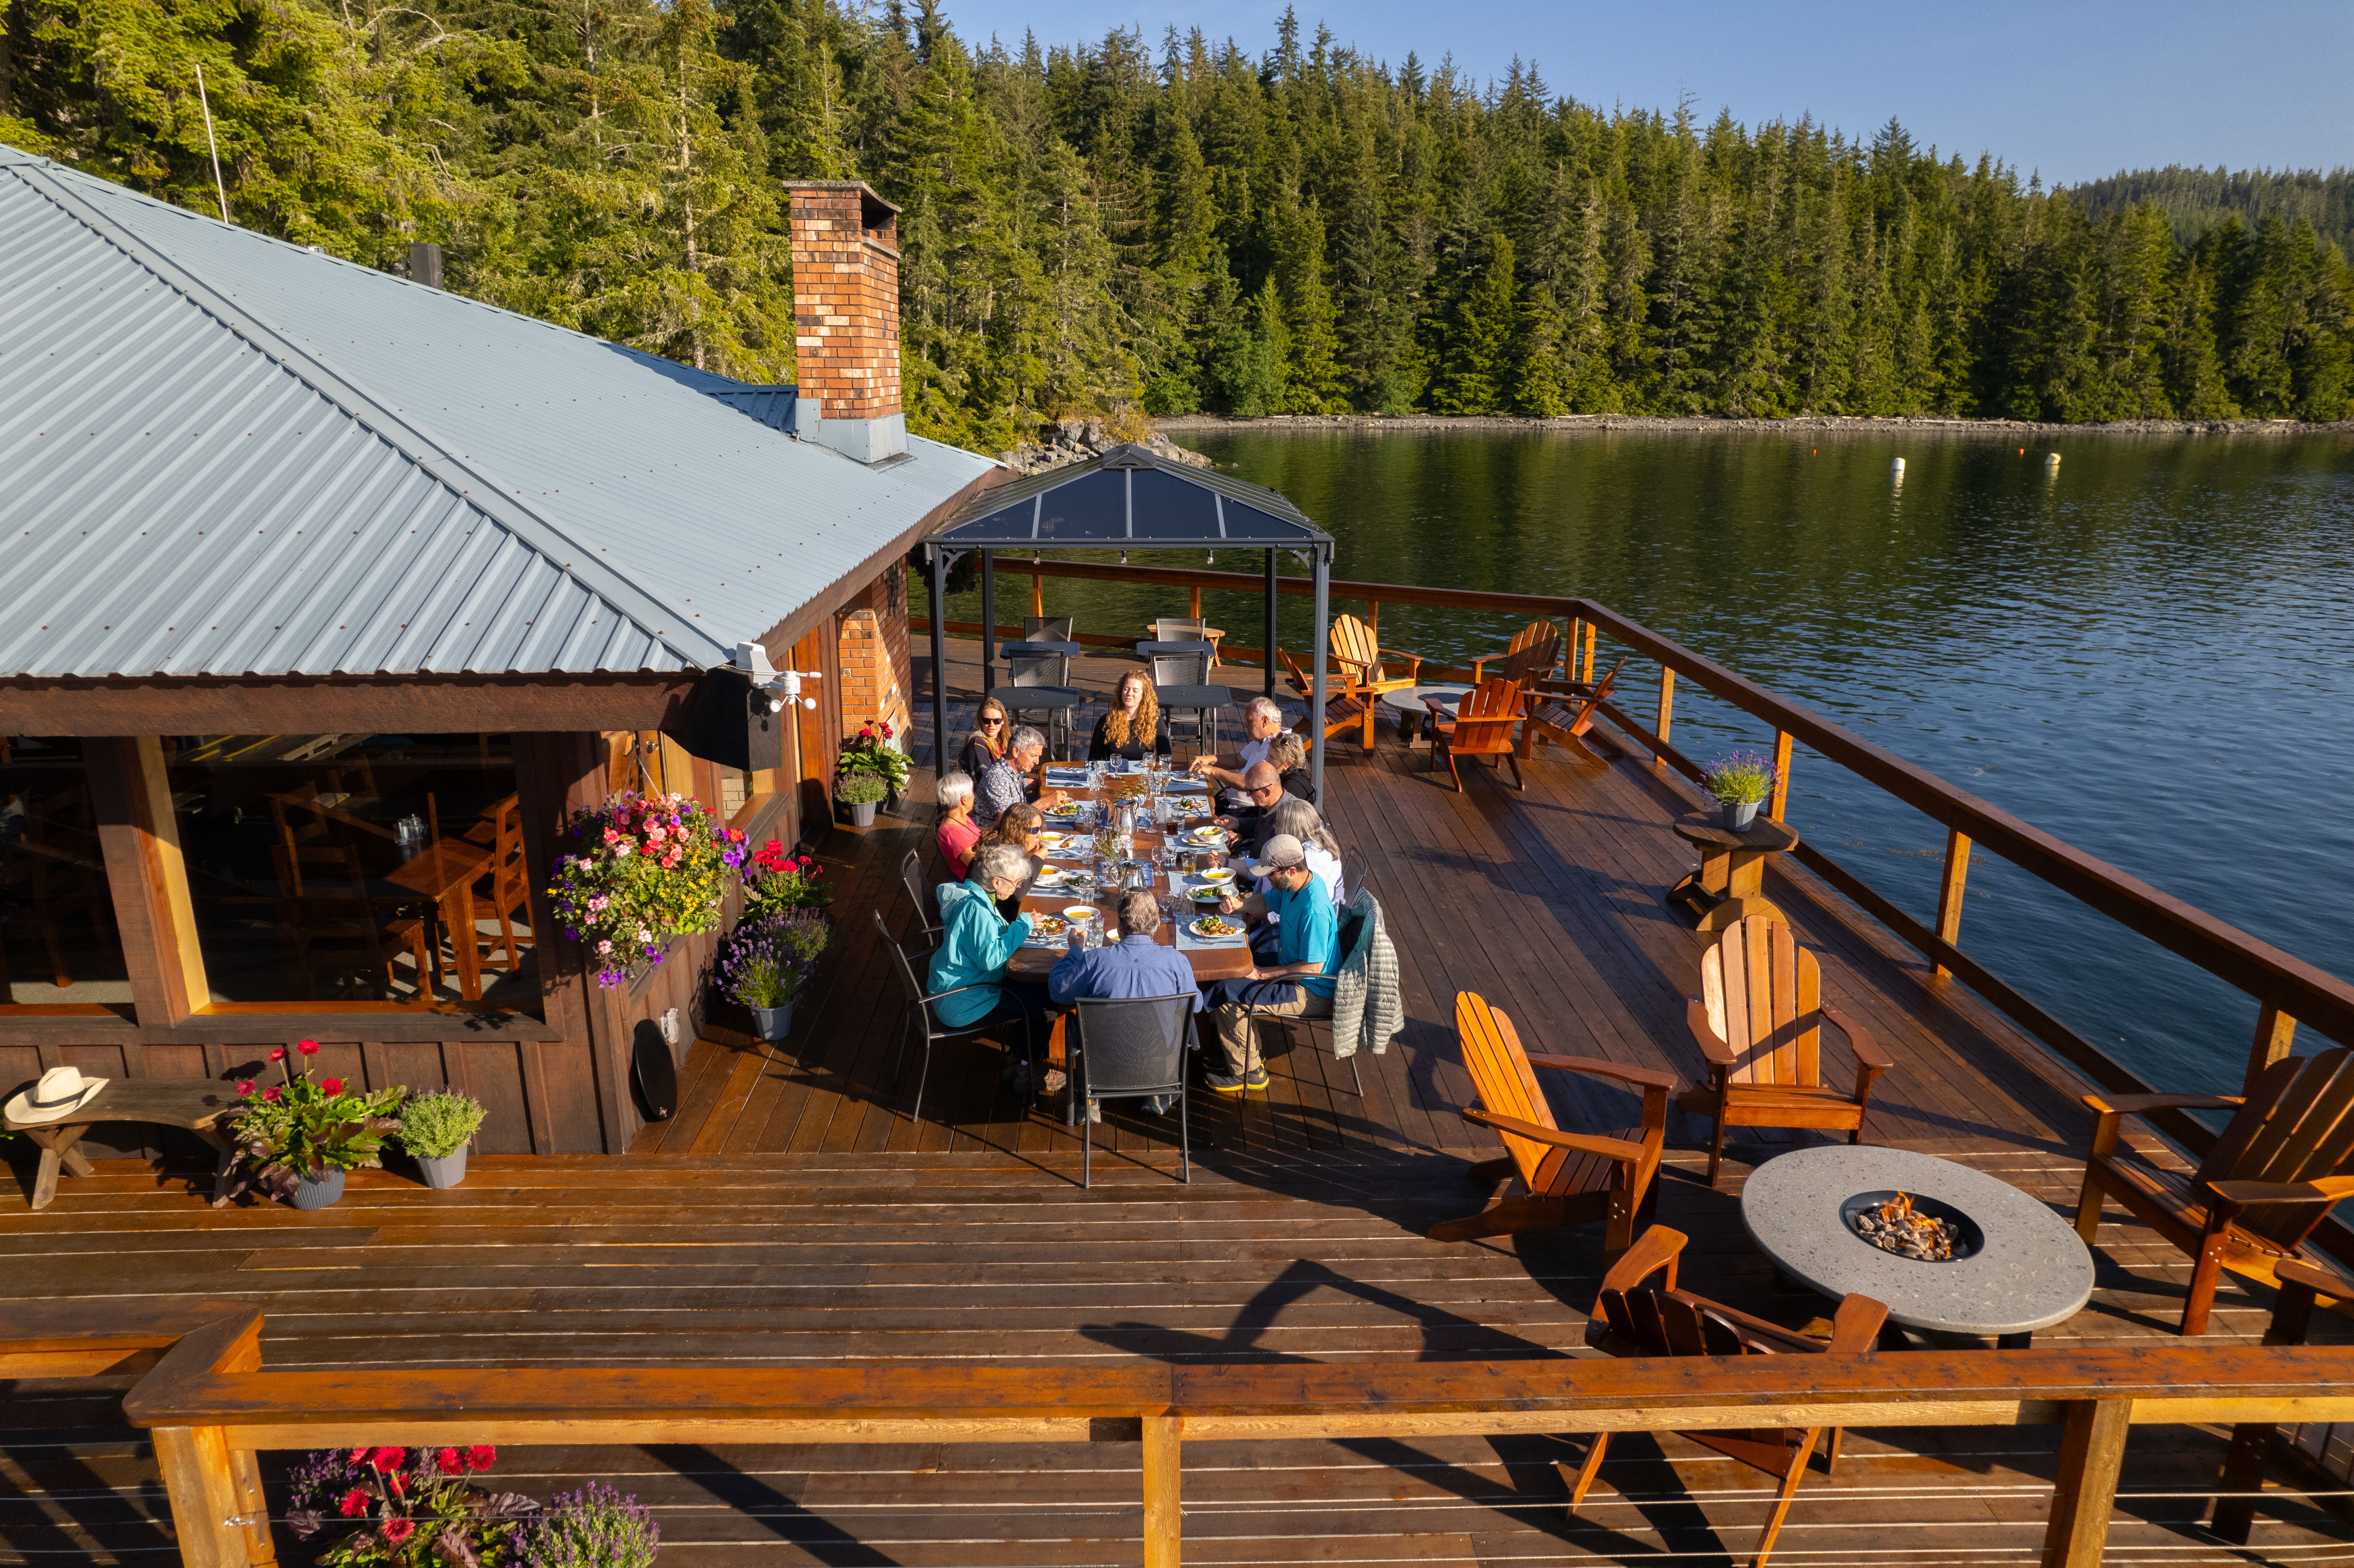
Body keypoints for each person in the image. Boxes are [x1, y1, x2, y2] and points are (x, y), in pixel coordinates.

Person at [1199, 835, 1341, 1093]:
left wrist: (1264, 974)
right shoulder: (1294, 887)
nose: (1266, 880)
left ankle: (1249, 1071)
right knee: (1227, 968)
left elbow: (1314, 968)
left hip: (1309, 989)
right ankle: (1241, 1050)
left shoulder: (1314, 910)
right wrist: (1241, 904)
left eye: (1271, 875)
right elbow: (1266, 902)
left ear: (1292, 870)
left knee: (1229, 998)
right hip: (1290, 966)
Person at [1048, 888, 1202, 1117]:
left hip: (1103, 1063)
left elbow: (1058, 992)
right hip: (1159, 1063)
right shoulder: (1177, 962)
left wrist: (1074, 952)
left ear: (1119, 926)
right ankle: (1160, 1092)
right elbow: (1196, 1006)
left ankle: (1089, 1102)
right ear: (1158, 923)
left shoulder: (1095, 961)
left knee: (1076, 1027)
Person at [930, 842, 1050, 1088]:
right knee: (1045, 1009)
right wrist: (1022, 926)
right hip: (963, 1000)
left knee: (1040, 995)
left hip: (962, 987)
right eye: (1015, 882)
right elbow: (991, 959)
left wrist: (1017, 928)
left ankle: (1017, 1058)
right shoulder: (977, 910)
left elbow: (985, 942)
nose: (1018, 887)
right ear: (997, 882)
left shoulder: (974, 896)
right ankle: (1027, 1073)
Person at [1191, 695, 1285, 811]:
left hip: (1246, 813)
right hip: (1229, 803)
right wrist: (1210, 759)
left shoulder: (1279, 749)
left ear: (1265, 721)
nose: (1245, 725)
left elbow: (1250, 784)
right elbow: (1237, 760)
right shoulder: (1263, 740)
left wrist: (1212, 770)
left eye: (1249, 721)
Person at [976, 725, 1068, 825]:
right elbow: (1008, 824)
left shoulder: (1012, 770)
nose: (1037, 762)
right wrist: (1046, 802)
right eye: (1033, 756)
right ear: (1016, 751)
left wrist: (1029, 784)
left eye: (1038, 756)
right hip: (998, 838)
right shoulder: (998, 779)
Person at [1088, 670, 1171, 762]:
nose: (1129, 694)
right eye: (1126, 689)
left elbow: (1166, 757)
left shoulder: (1155, 721)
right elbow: (1094, 759)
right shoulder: (1106, 721)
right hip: (1114, 774)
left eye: (1135, 691)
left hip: (1144, 774)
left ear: (1144, 695)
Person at [935, 769, 981, 877]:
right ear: (964, 800)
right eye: (972, 793)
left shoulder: (961, 818)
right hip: (978, 885)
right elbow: (977, 868)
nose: (974, 795)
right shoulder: (955, 834)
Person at [960, 697, 1011, 784]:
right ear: (980, 721)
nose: (992, 725)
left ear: (1003, 721)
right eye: (987, 721)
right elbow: (988, 779)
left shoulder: (1004, 741)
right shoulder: (977, 744)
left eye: (997, 721)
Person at [1265, 731, 1317, 810]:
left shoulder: (1290, 789)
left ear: (1287, 764)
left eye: (1272, 757)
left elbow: (1271, 818)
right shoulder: (1281, 777)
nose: (1266, 759)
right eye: (1268, 754)